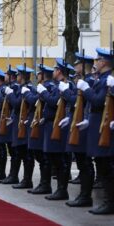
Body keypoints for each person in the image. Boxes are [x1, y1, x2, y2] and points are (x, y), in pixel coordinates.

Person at [76, 48, 114, 214]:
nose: (95, 62)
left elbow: (98, 101)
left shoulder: (108, 80)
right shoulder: (103, 79)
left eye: (97, 60)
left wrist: (86, 89)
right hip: (97, 124)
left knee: (106, 166)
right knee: (102, 164)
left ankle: (110, 202)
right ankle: (108, 201)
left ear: (104, 62)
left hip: (103, 125)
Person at [37, 58, 74, 200]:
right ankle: (58, 189)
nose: (53, 71)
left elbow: (53, 102)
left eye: (54, 69)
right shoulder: (59, 85)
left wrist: (44, 93)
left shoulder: (64, 85)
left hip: (60, 125)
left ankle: (62, 190)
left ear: (59, 71)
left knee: (60, 160)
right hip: (52, 123)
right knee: (55, 159)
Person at [63, 53, 95, 207]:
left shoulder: (89, 82)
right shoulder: (84, 81)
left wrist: (66, 91)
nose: (75, 66)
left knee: (85, 162)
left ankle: (85, 196)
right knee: (82, 162)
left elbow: (79, 101)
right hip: (78, 121)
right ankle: (83, 194)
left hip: (83, 124)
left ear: (83, 65)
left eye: (77, 63)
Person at [26, 65, 54, 195]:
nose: (36, 76)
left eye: (39, 74)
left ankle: (45, 184)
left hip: (42, 123)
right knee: (40, 155)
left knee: (43, 157)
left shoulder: (48, 87)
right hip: (38, 122)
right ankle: (43, 183)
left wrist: (27, 93)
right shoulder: (42, 87)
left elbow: (33, 100)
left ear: (43, 75)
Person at [0, 67, 20, 185]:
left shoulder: (15, 87)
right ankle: (12, 175)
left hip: (14, 121)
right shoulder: (10, 87)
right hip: (10, 120)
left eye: (6, 74)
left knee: (14, 151)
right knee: (12, 150)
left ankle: (14, 175)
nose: (4, 76)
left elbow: (15, 104)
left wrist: (9, 93)